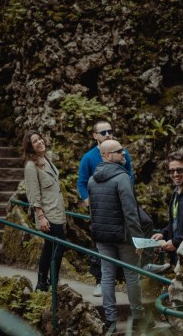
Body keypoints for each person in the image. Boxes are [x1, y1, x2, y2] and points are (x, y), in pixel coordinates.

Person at [87, 139, 148, 331]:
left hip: (102, 236)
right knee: (132, 275)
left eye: (123, 150)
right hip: (123, 237)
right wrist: (139, 241)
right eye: (119, 151)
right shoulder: (122, 178)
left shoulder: (91, 179)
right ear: (105, 155)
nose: (124, 153)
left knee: (107, 276)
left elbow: (93, 213)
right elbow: (131, 213)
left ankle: (110, 320)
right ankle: (138, 317)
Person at [77, 120, 134, 296]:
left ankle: (125, 278)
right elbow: (82, 182)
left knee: (124, 242)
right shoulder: (88, 157)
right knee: (100, 245)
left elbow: (130, 177)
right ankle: (100, 281)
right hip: (101, 208)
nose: (108, 134)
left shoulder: (122, 153)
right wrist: (88, 201)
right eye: (103, 132)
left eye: (110, 131)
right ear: (95, 136)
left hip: (121, 207)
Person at [23, 132, 67, 292]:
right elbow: (33, 194)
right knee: (60, 244)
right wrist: (40, 216)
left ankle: (42, 283)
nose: (40, 142)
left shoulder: (46, 159)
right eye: (35, 141)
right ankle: (53, 281)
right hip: (47, 214)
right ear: (30, 147)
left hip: (57, 211)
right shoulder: (30, 166)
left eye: (40, 138)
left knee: (49, 246)